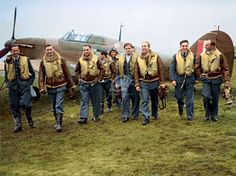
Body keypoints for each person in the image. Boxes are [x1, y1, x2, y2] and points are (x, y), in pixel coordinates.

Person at [39, 44, 76, 132]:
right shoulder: (43, 61)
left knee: (58, 104)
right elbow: (41, 75)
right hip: (50, 86)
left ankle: (59, 124)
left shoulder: (61, 59)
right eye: (47, 50)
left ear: (53, 49)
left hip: (61, 85)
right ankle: (57, 121)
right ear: (46, 51)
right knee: (53, 105)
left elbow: (67, 73)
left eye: (50, 49)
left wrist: (72, 85)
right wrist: (41, 87)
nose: (49, 51)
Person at [195, 40, 231, 122]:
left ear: (213, 46)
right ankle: (207, 114)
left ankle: (214, 115)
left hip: (216, 79)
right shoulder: (201, 55)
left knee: (215, 98)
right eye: (205, 45)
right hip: (206, 80)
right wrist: (200, 75)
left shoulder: (220, 55)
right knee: (206, 97)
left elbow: (225, 69)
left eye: (207, 45)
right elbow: (197, 67)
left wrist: (227, 81)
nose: (205, 47)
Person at [4, 45, 35, 132]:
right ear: (11, 52)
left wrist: (29, 83)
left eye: (16, 50)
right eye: (13, 50)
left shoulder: (25, 59)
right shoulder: (7, 61)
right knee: (14, 106)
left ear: (19, 51)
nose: (15, 52)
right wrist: (9, 84)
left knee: (27, 104)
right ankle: (18, 125)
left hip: (24, 85)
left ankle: (29, 119)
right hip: (13, 86)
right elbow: (6, 74)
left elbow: (32, 72)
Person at [134, 41, 166, 125]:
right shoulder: (138, 58)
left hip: (154, 81)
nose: (143, 47)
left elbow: (161, 69)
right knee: (144, 100)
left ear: (148, 47)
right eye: (142, 46)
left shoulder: (156, 56)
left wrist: (162, 82)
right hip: (144, 82)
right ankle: (146, 117)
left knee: (154, 99)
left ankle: (155, 114)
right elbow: (136, 72)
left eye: (145, 46)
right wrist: (137, 84)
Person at [75, 44, 105, 123]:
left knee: (95, 101)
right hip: (84, 83)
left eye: (87, 49)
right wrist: (79, 79)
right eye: (84, 50)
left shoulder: (96, 59)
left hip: (94, 83)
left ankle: (96, 116)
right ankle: (83, 118)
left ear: (90, 50)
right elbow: (77, 70)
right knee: (84, 100)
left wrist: (99, 79)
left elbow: (102, 69)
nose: (85, 51)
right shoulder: (80, 60)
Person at [169, 40, 196, 121]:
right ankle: (180, 110)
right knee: (179, 98)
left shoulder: (193, 55)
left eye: (186, 46)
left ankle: (190, 116)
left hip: (189, 78)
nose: (184, 47)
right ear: (180, 47)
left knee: (190, 99)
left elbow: (196, 67)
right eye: (183, 46)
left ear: (188, 46)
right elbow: (172, 68)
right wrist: (173, 79)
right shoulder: (175, 56)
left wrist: (196, 78)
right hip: (179, 79)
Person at [117, 42, 140, 122]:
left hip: (134, 79)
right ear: (124, 49)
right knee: (125, 97)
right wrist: (117, 82)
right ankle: (125, 115)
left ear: (132, 48)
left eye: (129, 48)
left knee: (135, 97)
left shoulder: (137, 57)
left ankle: (135, 115)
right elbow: (118, 71)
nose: (128, 50)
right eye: (126, 49)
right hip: (124, 80)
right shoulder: (120, 58)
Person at [97, 49, 116, 113]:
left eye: (100, 54)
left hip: (108, 80)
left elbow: (114, 71)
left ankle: (109, 106)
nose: (99, 55)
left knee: (109, 94)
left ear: (103, 55)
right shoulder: (97, 61)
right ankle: (101, 109)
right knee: (100, 95)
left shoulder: (110, 61)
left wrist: (112, 79)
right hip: (100, 81)